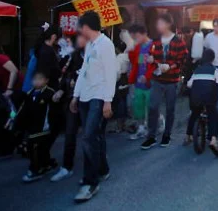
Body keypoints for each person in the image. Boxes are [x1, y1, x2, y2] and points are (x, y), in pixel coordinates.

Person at [69, 11, 117, 203]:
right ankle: (103, 169)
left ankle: (90, 182)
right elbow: (84, 71)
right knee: (94, 137)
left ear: (87, 27)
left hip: (98, 97)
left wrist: (108, 100)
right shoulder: (89, 45)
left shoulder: (106, 45)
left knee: (88, 138)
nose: (79, 30)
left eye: (81, 27)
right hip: (85, 97)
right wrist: (76, 96)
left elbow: (111, 73)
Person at [142, 13, 188, 150]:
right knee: (153, 106)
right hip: (157, 78)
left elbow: (183, 59)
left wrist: (171, 66)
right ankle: (151, 136)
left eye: (160, 23)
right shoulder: (155, 41)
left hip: (172, 80)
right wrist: (150, 60)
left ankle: (167, 135)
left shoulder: (178, 41)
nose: (158, 26)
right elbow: (150, 56)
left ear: (168, 24)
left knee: (170, 108)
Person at [51, 33, 86, 182]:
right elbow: (66, 76)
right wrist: (61, 89)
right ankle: (66, 167)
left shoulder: (97, 54)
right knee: (70, 133)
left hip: (90, 100)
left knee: (92, 135)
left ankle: (98, 163)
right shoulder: (73, 57)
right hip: (72, 99)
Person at [14, 69, 61, 182]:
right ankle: (46, 163)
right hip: (32, 126)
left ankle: (36, 168)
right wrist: (15, 120)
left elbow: (55, 108)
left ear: (46, 81)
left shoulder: (49, 93)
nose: (37, 82)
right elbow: (22, 110)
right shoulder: (29, 94)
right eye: (35, 79)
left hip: (44, 127)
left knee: (34, 146)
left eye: (40, 79)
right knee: (38, 147)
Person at [183, 48, 218, 157]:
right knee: (214, 116)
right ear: (213, 59)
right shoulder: (214, 70)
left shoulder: (197, 70)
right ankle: (213, 139)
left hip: (195, 99)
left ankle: (188, 135)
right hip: (209, 99)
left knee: (194, 114)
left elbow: (189, 84)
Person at [127, 24, 155, 142]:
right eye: (133, 37)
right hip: (138, 82)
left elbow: (155, 64)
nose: (135, 39)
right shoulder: (137, 46)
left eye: (136, 36)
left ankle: (156, 124)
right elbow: (134, 61)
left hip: (150, 82)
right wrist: (131, 49)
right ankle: (141, 128)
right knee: (138, 106)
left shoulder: (154, 45)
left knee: (151, 106)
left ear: (144, 33)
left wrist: (147, 76)